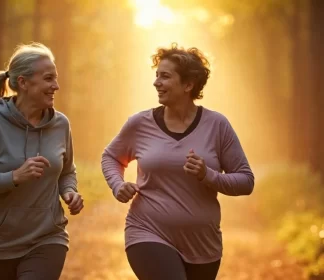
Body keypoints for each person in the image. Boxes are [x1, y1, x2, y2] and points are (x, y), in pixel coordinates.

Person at [101, 43, 254, 280]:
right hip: (147, 231)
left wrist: (208, 175)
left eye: (165, 76)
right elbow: (111, 156)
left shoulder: (217, 125)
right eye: (156, 75)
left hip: (203, 245)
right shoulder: (140, 124)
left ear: (188, 85)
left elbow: (246, 181)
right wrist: (117, 184)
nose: (156, 82)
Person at [0, 42, 84, 280]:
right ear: (23, 82)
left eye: (55, 78)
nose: (56, 86)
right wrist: (13, 177)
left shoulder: (60, 124)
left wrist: (70, 191)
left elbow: (66, 171)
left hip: (47, 238)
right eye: (48, 79)